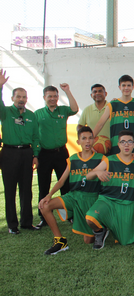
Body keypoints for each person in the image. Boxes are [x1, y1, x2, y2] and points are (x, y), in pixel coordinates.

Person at [38, 126, 106, 254]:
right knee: (45, 206)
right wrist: (49, 195)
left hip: (91, 198)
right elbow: (61, 181)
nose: (87, 141)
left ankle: (101, 227)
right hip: (73, 196)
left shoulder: (101, 158)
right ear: (78, 142)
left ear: (94, 140)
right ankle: (60, 241)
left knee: (88, 240)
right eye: (84, 138)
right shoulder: (73, 159)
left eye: (90, 138)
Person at [85, 130, 134, 249]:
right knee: (90, 218)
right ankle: (101, 231)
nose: (126, 145)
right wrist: (97, 172)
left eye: (129, 142)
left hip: (126, 204)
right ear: (118, 144)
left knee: (126, 241)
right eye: (123, 142)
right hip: (107, 200)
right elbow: (88, 176)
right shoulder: (109, 160)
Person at [0, 69, 40, 234]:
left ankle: (27, 222)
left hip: (26, 154)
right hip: (9, 153)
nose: (21, 99)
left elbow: (36, 137)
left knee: (26, 189)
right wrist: (1, 87)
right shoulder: (5, 113)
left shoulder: (31, 115)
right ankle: (12, 225)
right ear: (12, 98)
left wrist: (35, 155)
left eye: (24, 97)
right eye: (18, 96)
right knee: (10, 190)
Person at [34, 84, 79, 228]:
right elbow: (34, 136)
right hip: (44, 154)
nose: (52, 99)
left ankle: (69, 215)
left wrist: (67, 91)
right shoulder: (37, 114)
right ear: (44, 98)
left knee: (66, 184)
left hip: (61, 153)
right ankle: (44, 217)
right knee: (44, 185)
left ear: (58, 97)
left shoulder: (63, 110)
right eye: (49, 96)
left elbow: (75, 109)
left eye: (55, 96)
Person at [92, 75, 134, 156]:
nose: (126, 88)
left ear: (133, 87)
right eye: (123, 85)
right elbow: (100, 123)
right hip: (117, 146)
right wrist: (91, 140)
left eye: (129, 85)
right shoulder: (112, 104)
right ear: (119, 87)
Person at [77, 84, 110, 154]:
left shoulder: (112, 108)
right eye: (94, 92)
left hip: (110, 148)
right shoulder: (87, 110)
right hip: (92, 149)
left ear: (105, 94)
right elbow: (80, 126)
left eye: (100, 91)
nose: (97, 93)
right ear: (91, 95)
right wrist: (86, 140)